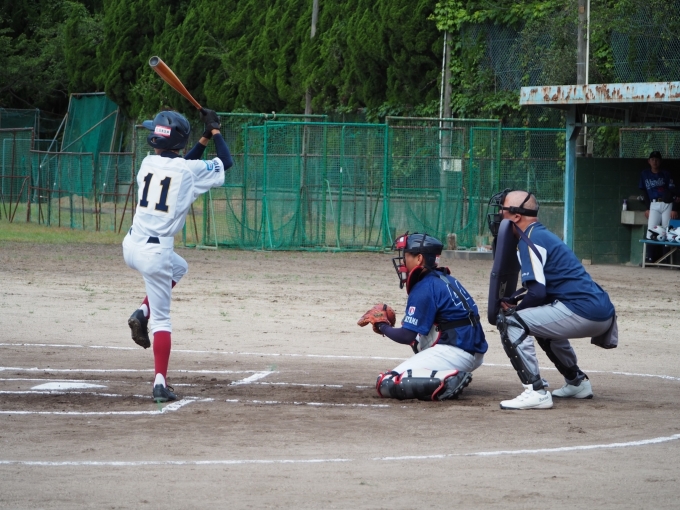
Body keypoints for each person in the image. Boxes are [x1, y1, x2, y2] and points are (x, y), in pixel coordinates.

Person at [123, 108, 233, 402]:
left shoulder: (147, 162)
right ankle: (160, 384)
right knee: (162, 321)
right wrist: (216, 131)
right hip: (155, 252)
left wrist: (204, 137)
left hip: (132, 245)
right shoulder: (187, 172)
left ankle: (142, 311)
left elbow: (182, 164)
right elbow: (226, 162)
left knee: (180, 268)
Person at [488, 189, 617, 410]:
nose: (499, 214)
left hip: (584, 311)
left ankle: (535, 391)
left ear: (516, 216)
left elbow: (538, 293)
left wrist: (516, 311)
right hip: (599, 311)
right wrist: (518, 301)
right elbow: (542, 291)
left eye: (503, 209)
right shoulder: (539, 234)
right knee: (536, 322)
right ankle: (577, 383)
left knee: (511, 321)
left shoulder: (529, 239)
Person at [357, 233, 488, 401]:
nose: (403, 261)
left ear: (419, 258)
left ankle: (447, 378)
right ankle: (448, 372)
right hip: (471, 350)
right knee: (417, 337)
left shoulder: (424, 287)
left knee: (387, 382)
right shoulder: (447, 279)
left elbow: (406, 335)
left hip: (457, 352)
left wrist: (382, 326)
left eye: (406, 255)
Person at [639, 151, 677, 261]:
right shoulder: (644, 174)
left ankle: (666, 259)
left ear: (660, 161)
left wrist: (674, 208)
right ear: (649, 161)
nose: (654, 161)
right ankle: (649, 258)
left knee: (667, 230)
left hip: (667, 204)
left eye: (657, 159)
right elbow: (645, 192)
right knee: (651, 229)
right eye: (652, 159)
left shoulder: (666, 174)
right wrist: (647, 208)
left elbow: (673, 192)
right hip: (653, 203)